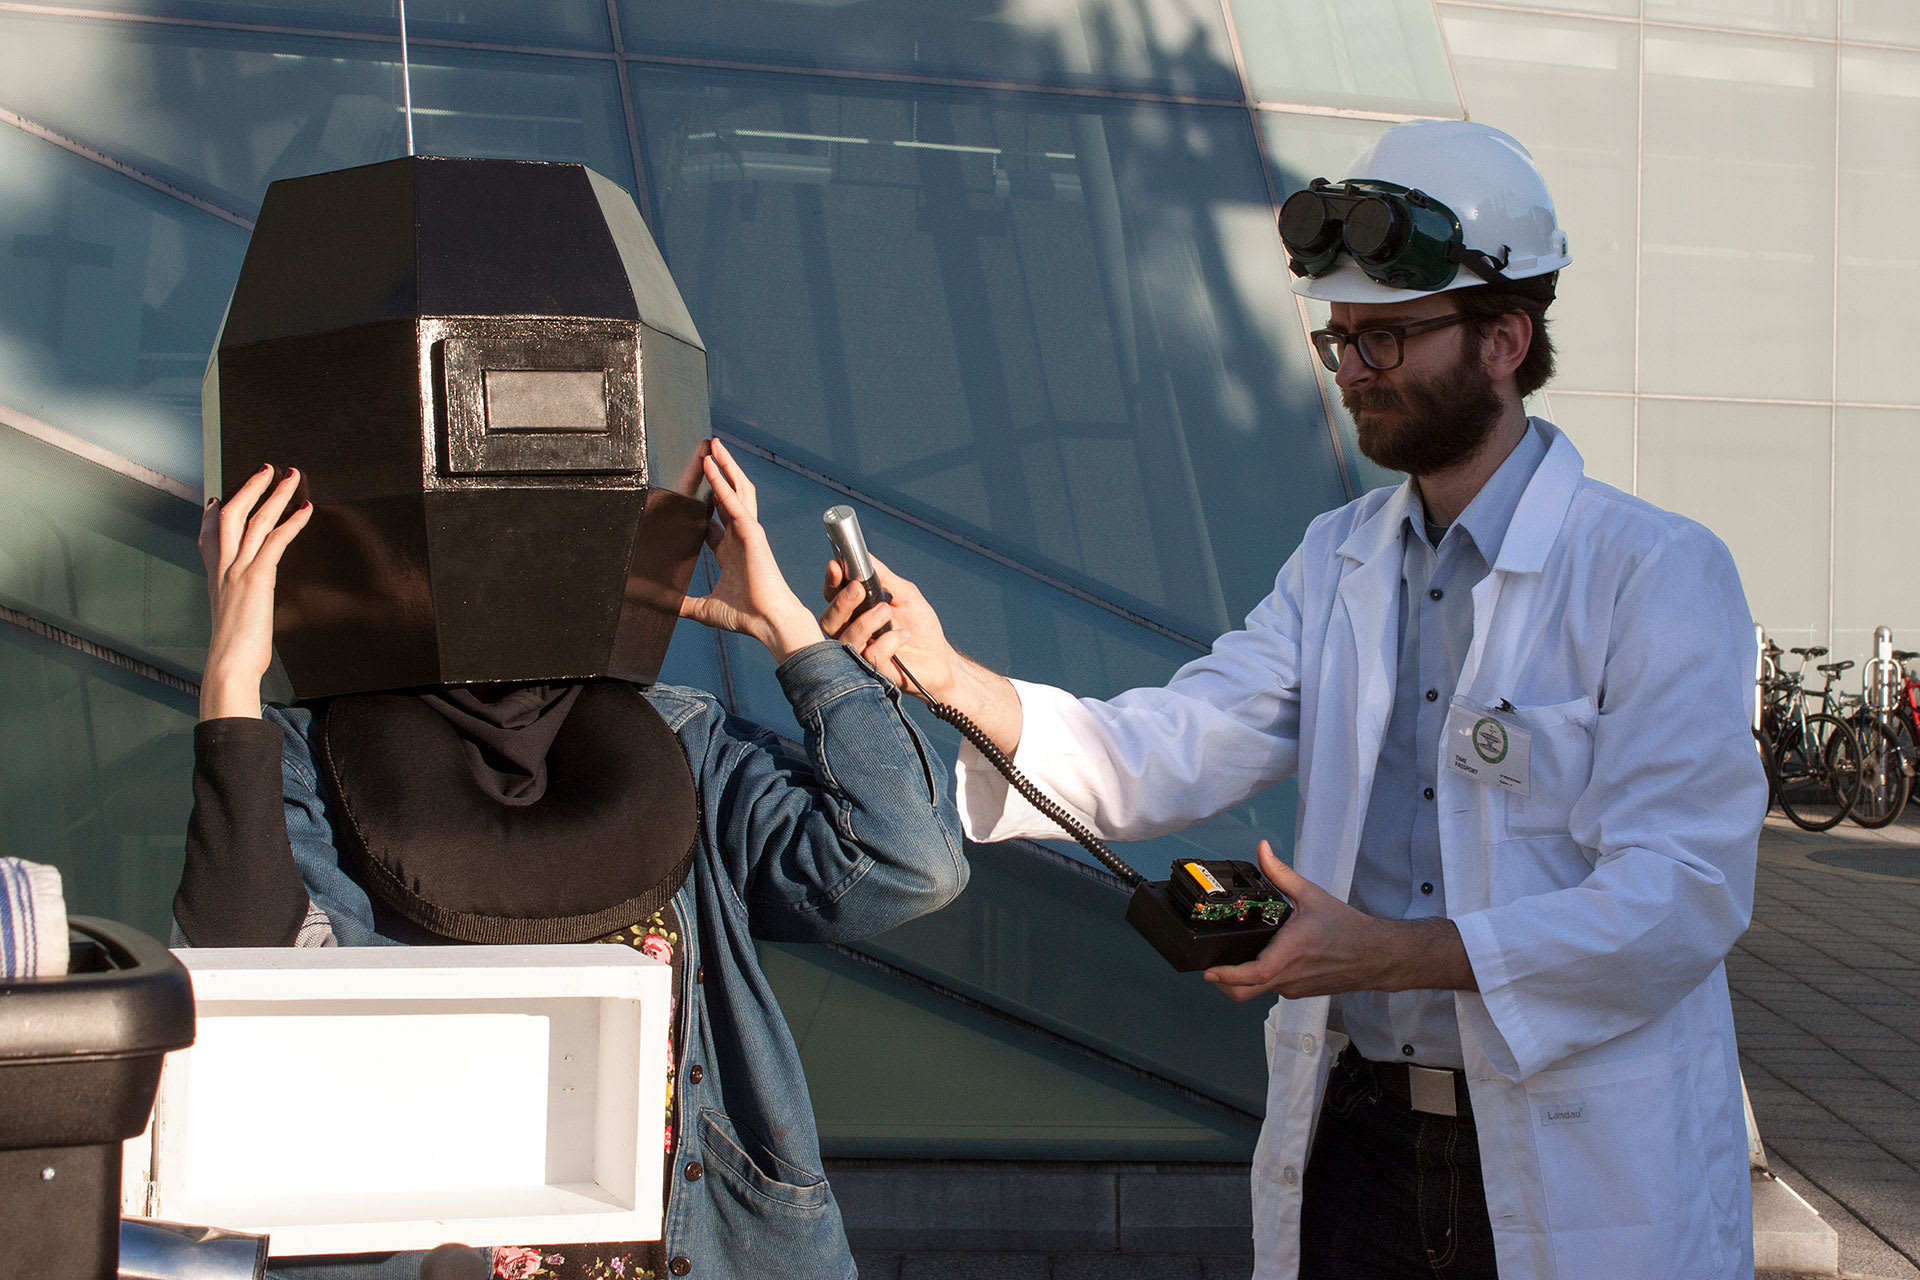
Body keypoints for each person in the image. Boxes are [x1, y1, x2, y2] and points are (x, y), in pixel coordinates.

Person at [822, 120, 1765, 1280]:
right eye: (1344, 341)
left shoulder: (1654, 571)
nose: (1357, 372)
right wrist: (946, 670)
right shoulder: (1339, 558)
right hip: (1359, 1141)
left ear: (1505, 338)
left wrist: (1388, 952)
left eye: (1390, 338)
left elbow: (1682, 896)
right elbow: (1169, 746)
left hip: (1572, 1150)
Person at [177, 441, 966, 1280]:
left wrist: (792, 634)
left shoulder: (678, 745)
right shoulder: (310, 758)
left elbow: (908, 861)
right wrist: (231, 680)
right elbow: (248, 985)